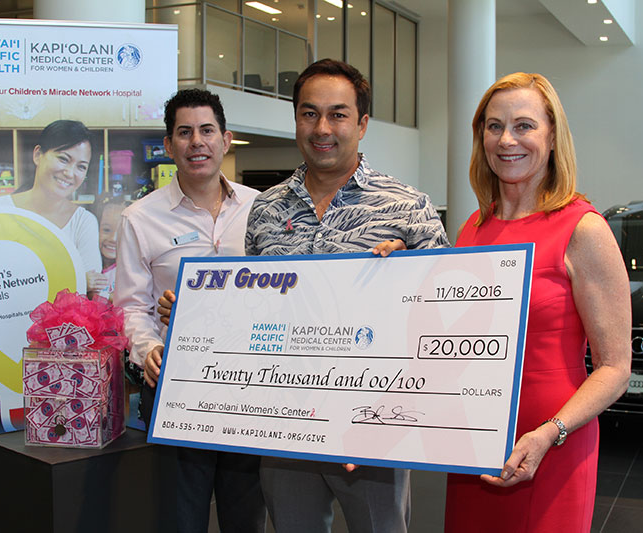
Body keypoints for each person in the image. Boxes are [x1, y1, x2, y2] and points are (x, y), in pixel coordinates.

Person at [160, 59, 449, 533]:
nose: (322, 128)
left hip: (372, 424)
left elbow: (444, 314)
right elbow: (256, 311)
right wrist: (197, 312)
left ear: (362, 124)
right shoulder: (266, 209)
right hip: (285, 423)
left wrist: (410, 279)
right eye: (309, 113)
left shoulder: (407, 207)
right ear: (295, 120)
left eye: (338, 114)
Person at [445, 72, 631, 532]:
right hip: (474, 445)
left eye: (524, 125)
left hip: (552, 446)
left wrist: (550, 433)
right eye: (493, 126)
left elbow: (615, 368)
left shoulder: (583, 229)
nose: (507, 139)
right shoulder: (472, 229)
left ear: (552, 137)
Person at [112, 88, 266, 533]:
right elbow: (131, 307)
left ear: (226, 139)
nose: (196, 141)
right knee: (180, 516)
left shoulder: (263, 208)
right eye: (184, 132)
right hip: (178, 386)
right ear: (168, 146)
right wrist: (148, 350)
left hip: (250, 384)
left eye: (206, 130)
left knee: (247, 515)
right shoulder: (140, 219)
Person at [0, 119, 103, 292]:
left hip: (62, 321)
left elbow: (94, 292)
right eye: (63, 159)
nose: (70, 173)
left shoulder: (83, 222)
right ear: (37, 155)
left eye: (81, 167)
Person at [90, 196, 129, 300]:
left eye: (121, 232)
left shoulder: (129, 270)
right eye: (106, 230)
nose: (113, 239)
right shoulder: (86, 265)